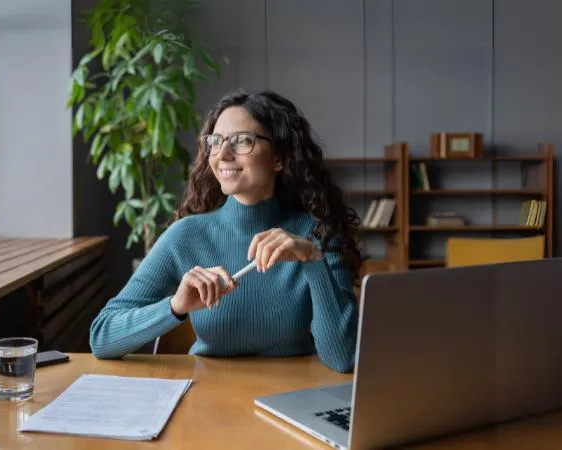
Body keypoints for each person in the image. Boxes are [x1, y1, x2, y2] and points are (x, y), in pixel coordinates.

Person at [88, 90, 362, 373]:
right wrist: (175, 306)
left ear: (279, 158)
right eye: (215, 142)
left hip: (292, 403)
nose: (222, 154)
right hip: (209, 404)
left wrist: (312, 259)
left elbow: (343, 358)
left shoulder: (315, 235)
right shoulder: (185, 236)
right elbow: (102, 336)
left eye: (242, 140)